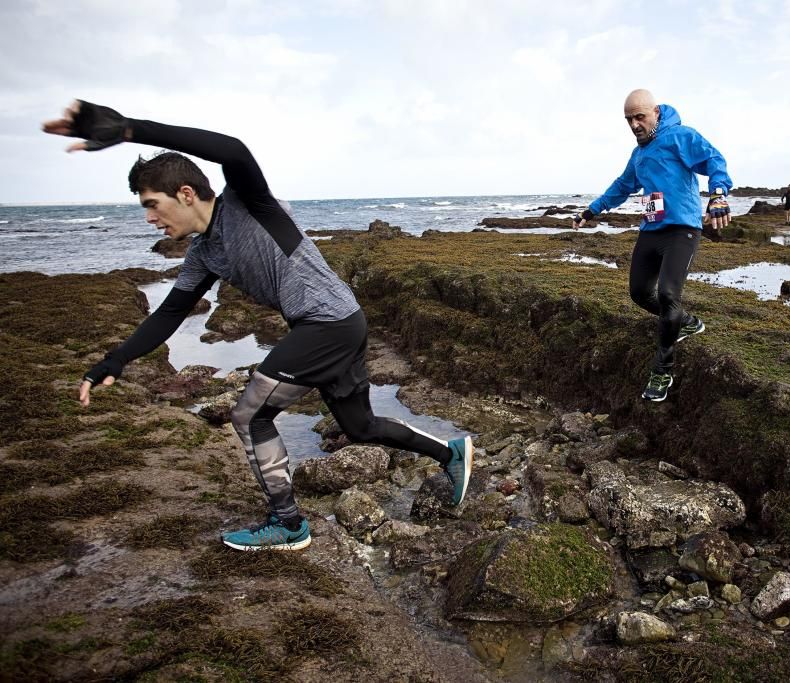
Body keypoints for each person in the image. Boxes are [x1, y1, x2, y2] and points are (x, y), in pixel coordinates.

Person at [42, 100, 474, 551]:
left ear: (186, 193)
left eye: (153, 204)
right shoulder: (203, 254)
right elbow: (169, 314)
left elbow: (232, 149)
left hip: (327, 322)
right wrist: (114, 360)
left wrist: (130, 129)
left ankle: (288, 524)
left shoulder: (250, 203)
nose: (150, 218)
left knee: (249, 413)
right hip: (335, 323)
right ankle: (451, 453)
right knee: (361, 427)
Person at [573, 89, 732, 402]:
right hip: (651, 229)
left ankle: (663, 370)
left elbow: (714, 158)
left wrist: (718, 193)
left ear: (656, 112)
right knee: (639, 293)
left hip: (682, 229)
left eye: (640, 116)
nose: (634, 124)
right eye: (628, 119)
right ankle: (687, 322)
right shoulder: (639, 154)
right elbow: (622, 186)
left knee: (669, 294)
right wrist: (591, 210)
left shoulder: (680, 137)